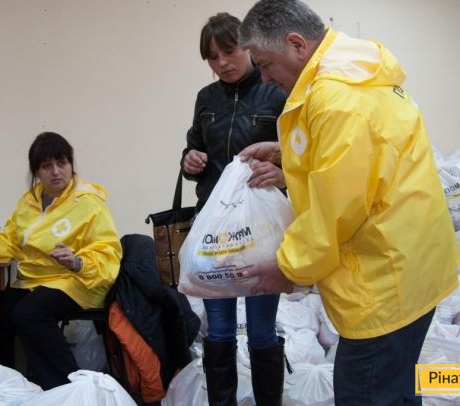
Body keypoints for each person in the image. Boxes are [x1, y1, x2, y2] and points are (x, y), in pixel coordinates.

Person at [237, 1, 460, 405]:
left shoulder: (337, 99)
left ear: (296, 45)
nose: (265, 78)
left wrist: (287, 268)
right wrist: (286, 153)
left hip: (383, 282)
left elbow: (334, 212)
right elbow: (358, 162)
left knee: (367, 392)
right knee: (397, 391)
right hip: (414, 264)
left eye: (266, 64)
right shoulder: (356, 72)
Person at [0, 132, 122, 390]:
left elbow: (108, 250)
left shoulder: (89, 203)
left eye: (61, 163)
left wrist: (77, 262)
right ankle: (5, 383)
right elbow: (10, 240)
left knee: (29, 313)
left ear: (71, 164)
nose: (56, 171)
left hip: (79, 280)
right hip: (37, 281)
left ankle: (67, 387)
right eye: (46, 166)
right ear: (36, 172)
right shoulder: (29, 202)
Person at [181, 12, 287, 406]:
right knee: (220, 329)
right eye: (212, 57)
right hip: (215, 228)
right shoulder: (206, 99)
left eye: (229, 51)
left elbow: (301, 154)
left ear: (247, 47)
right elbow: (194, 147)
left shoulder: (275, 93)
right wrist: (190, 160)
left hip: (260, 230)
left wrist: (281, 172)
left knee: (261, 330)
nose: (222, 62)